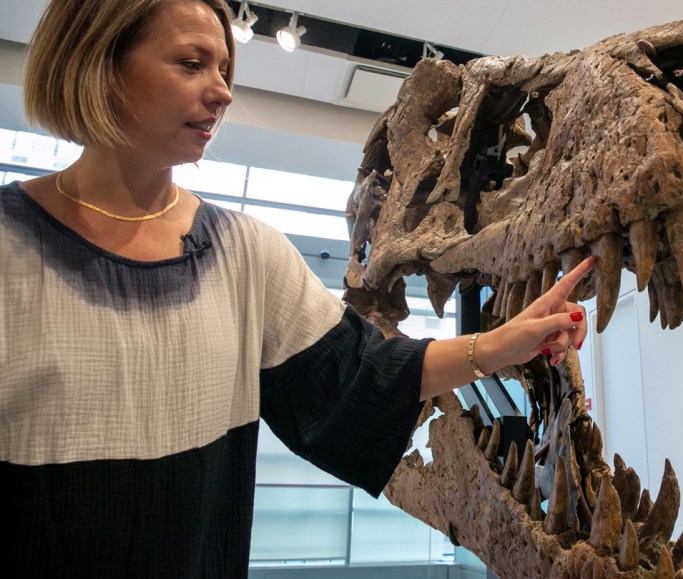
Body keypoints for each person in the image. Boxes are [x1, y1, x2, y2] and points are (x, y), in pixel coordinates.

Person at [0, 0, 594, 575]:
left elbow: (359, 374)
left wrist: (502, 344)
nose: (223, 91)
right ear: (98, 63)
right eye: (190, 64)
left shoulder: (246, 252)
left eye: (225, 70)